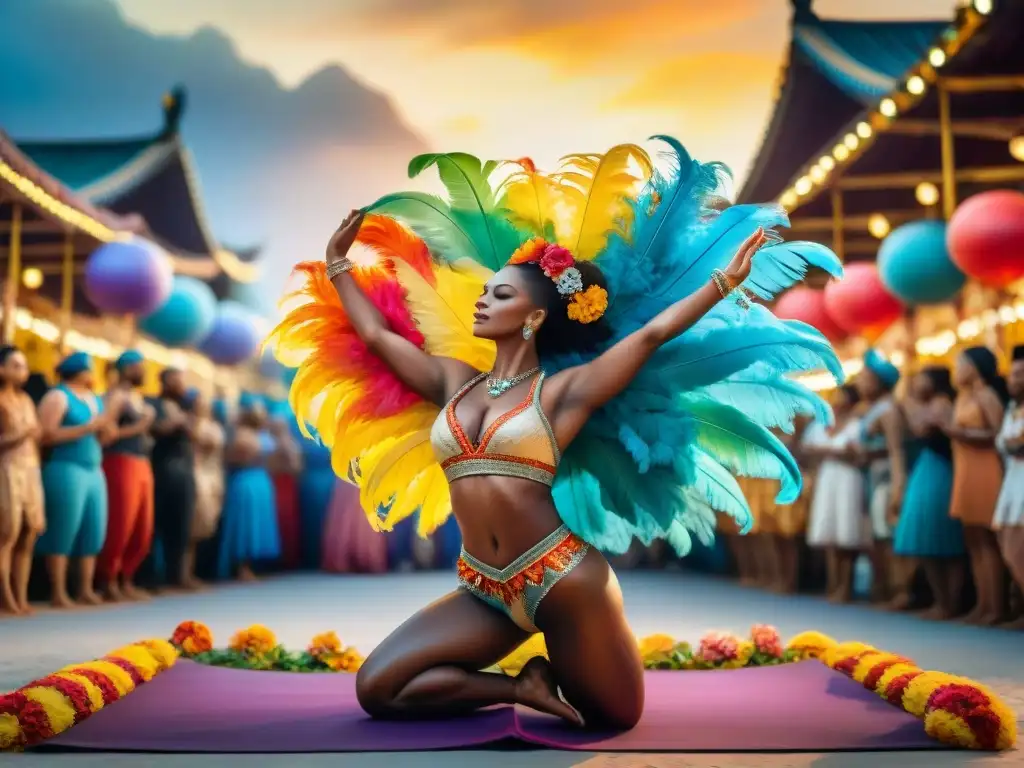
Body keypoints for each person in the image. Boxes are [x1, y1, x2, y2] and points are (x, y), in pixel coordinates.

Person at [268, 140, 840, 728]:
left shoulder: (562, 394)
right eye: (486, 292)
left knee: (614, 718)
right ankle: (522, 686)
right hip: (483, 587)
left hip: (564, 579)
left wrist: (722, 283)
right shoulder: (452, 379)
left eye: (501, 294)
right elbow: (379, 339)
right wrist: (339, 264)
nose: (483, 301)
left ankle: (558, 667)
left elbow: (647, 339)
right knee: (379, 689)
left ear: (536, 317)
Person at [35, 352, 112, 608]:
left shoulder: (94, 399)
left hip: (93, 468)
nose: (92, 374)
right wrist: (87, 428)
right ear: (79, 371)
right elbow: (45, 435)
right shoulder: (58, 396)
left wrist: (105, 431)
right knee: (63, 529)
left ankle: (85, 588)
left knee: (93, 529)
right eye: (89, 369)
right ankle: (58, 591)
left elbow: (101, 437)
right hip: (66, 467)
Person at [891, 366, 963, 619]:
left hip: (941, 469)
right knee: (925, 537)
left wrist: (906, 400)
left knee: (941, 536)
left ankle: (949, 603)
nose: (916, 381)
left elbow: (920, 427)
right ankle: (940, 601)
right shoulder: (930, 402)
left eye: (921, 377)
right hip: (928, 466)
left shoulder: (942, 402)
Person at [948, 346, 1007, 625]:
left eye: (961, 363)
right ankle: (982, 605)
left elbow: (999, 435)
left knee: (987, 540)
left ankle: (996, 606)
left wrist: (961, 433)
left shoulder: (986, 395)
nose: (956, 368)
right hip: (965, 467)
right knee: (972, 537)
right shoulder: (963, 396)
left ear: (975, 365)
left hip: (985, 468)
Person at [97, 350, 156, 601]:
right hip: (121, 461)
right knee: (121, 524)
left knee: (142, 528)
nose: (143, 370)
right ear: (126, 369)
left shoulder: (138, 397)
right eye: (139, 366)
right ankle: (109, 580)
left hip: (142, 463)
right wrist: (138, 427)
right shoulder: (117, 396)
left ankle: (127, 577)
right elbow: (105, 434)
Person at [804, 384, 867, 602]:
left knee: (845, 531)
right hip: (827, 476)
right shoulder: (822, 423)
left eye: (840, 396)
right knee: (829, 531)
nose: (836, 400)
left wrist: (828, 451)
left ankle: (845, 586)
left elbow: (859, 456)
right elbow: (807, 449)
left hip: (848, 477)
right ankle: (832, 584)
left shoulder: (857, 425)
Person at [854, 350, 906, 604]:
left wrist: (898, 486)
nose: (860, 382)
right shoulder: (873, 409)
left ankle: (900, 590)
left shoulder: (888, 410)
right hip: (872, 478)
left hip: (885, 479)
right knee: (877, 536)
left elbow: (897, 451)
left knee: (887, 535)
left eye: (865, 377)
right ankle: (884, 586)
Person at [0, 345, 45, 615]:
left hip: (30, 468)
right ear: (2, 369)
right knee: (8, 533)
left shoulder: (27, 400)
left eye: (24, 366)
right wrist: (21, 435)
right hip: (7, 468)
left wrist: (33, 435)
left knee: (30, 532)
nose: (22, 371)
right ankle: (6, 596)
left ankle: (21, 594)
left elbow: (36, 435)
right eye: (15, 365)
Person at [218, 393, 280, 580]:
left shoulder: (263, 433)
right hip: (246, 480)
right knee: (245, 524)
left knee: (258, 523)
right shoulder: (239, 434)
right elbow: (233, 458)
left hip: (261, 480)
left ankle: (253, 565)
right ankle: (241, 567)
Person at [147, 368, 197, 589]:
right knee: (157, 524)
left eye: (181, 381)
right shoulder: (153, 405)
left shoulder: (185, 408)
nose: (179, 385)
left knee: (182, 525)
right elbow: (153, 430)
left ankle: (178, 574)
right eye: (175, 381)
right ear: (164, 383)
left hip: (184, 471)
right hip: (162, 470)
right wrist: (175, 424)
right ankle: (152, 577)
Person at [994, 345, 1024, 629]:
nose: (1013, 380)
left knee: (1018, 547)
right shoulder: (1013, 408)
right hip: (1012, 481)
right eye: (1012, 374)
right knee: (1008, 546)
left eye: (1020, 375)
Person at [185, 388, 224, 588]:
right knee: (192, 526)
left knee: (204, 527)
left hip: (212, 477)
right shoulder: (190, 423)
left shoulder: (211, 425)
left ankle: (194, 572)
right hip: (196, 476)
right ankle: (185, 574)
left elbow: (212, 444)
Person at [268, 413, 303, 569]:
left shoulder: (288, 444)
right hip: (277, 484)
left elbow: (296, 468)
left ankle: (287, 558)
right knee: (278, 519)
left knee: (286, 519)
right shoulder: (274, 443)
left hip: (285, 485)